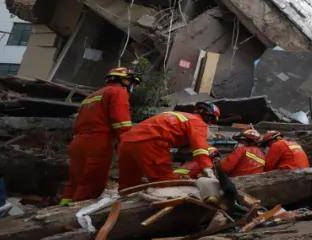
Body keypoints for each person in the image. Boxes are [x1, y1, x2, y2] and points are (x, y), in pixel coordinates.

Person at [64, 66, 140, 202]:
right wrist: (128, 143)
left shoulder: (92, 96)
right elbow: (121, 123)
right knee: (92, 182)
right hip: (98, 142)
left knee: (75, 180)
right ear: (126, 81)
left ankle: (62, 207)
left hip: (77, 142)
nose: (132, 87)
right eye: (132, 83)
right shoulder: (118, 92)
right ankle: (75, 215)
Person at [118, 102, 220, 191]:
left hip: (126, 142)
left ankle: (119, 209)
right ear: (209, 117)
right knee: (165, 183)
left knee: (128, 187)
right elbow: (200, 148)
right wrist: (207, 168)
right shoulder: (198, 123)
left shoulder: (179, 116)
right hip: (150, 144)